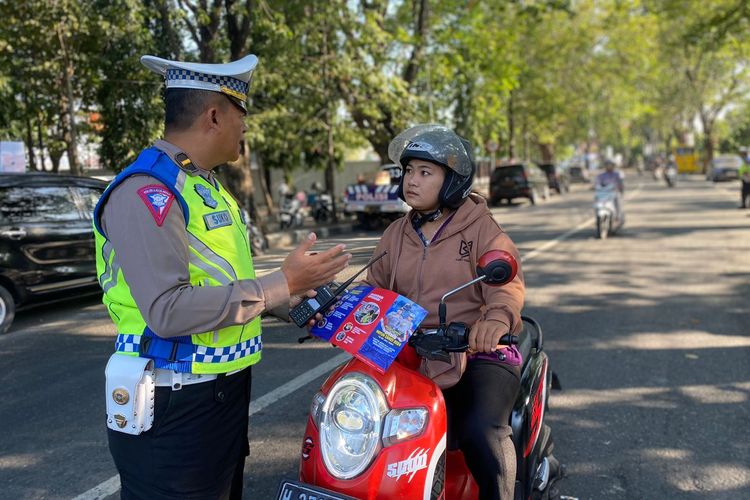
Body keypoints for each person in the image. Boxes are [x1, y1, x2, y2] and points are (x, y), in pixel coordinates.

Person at [93, 54, 351, 500]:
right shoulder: (147, 190)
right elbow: (166, 311)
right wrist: (281, 283)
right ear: (214, 115)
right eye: (241, 113)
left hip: (220, 396)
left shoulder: (204, 187)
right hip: (172, 406)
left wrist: (306, 303)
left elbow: (227, 289)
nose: (245, 126)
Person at [363, 124, 525, 499]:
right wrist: (343, 310)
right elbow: (374, 288)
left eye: (425, 172)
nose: (411, 181)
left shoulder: (482, 228)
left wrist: (496, 320)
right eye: (408, 171)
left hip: (476, 351)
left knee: (480, 427)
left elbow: (505, 286)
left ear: (452, 181)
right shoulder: (395, 234)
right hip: (412, 352)